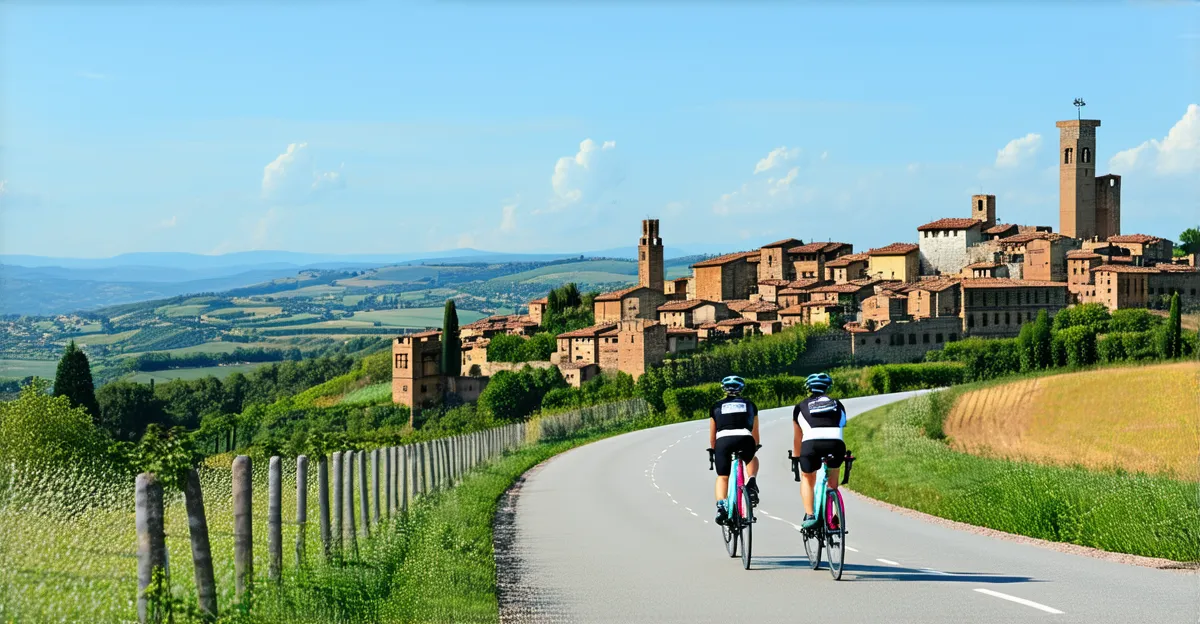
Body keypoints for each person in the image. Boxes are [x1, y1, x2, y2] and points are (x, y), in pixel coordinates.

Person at [792, 372, 847, 529]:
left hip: (811, 444)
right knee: (833, 481)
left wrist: (796, 457)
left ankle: (810, 515)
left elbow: (798, 438)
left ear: (808, 388)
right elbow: (841, 425)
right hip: (836, 443)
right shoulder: (838, 404)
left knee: (808, 478)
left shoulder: (800, 407)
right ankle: (836, 514)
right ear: (827, 387)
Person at [709, 375, 760, 525]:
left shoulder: (716, 407)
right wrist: (755, 446)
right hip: (745, 438)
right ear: (741, 389)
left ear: (724, 389)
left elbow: (713, 435)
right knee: (752, 458)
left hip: (723, 441)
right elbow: (755, 432)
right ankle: (751, 482)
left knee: (723, 476)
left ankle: (721, 506)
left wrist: (714, 450)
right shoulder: (750, 405)